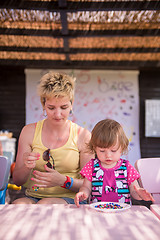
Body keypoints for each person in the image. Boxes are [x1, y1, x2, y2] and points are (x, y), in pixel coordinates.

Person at [12, 71, 94, 204]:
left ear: (71, 104)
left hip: (71, 199)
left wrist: (63, 181)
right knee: (18, 205)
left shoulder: (83, 136)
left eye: (64, 107)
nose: (58, 114)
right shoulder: (28, 132)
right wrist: (27, 167)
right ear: (43, 104)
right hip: (33, 197)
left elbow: (89, 184)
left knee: (46, 205)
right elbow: (17, 180)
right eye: (51, 108)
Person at [74, 119, 154, 207]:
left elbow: (134, 190)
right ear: (95, 148)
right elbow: (86, 187)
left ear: (122, 148)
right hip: (97, 211)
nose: (108, 155)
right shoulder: (92, 166)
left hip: (122, 212)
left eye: (113, 150)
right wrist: (83, 193)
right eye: (102, 151)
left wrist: (139, 194)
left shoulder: (127, 167)